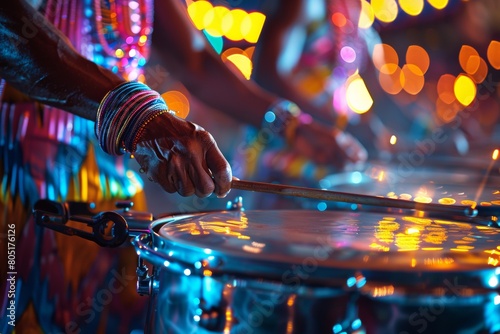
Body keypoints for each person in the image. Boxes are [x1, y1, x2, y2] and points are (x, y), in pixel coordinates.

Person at [0, 0, 366, 333]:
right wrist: (136, 116)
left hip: (109, 206)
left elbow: (197, 60)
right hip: (16, 198)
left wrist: (290, 125)